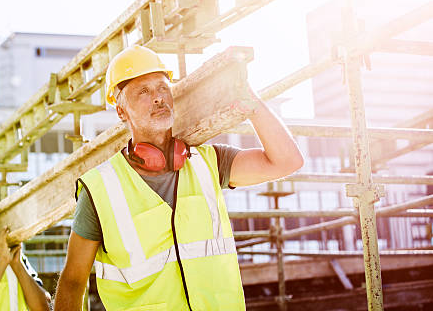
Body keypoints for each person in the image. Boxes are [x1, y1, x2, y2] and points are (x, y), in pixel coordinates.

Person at [54, 45, 304, 310]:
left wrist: (248, 99)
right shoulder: (99, 190)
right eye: (143, 91)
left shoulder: (209, 163)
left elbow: (287, 161)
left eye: (162, 87)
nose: (158, 98)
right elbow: (72, 280)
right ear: (121, 111)